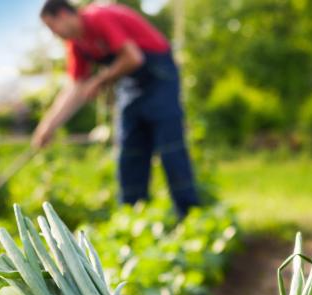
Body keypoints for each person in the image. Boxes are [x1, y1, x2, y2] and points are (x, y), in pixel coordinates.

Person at [33, 0, 201, 217]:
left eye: (51, 26)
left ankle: (189, 216)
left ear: (64, 14)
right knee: (129, 153)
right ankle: (132, 221)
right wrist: (48, 126)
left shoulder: (99, 17)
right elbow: (74, 88)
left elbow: (133, 57)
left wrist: (100, 80)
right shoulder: (77, 44)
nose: (54, 34)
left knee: (170, 150)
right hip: (130, 85)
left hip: (159, 78)